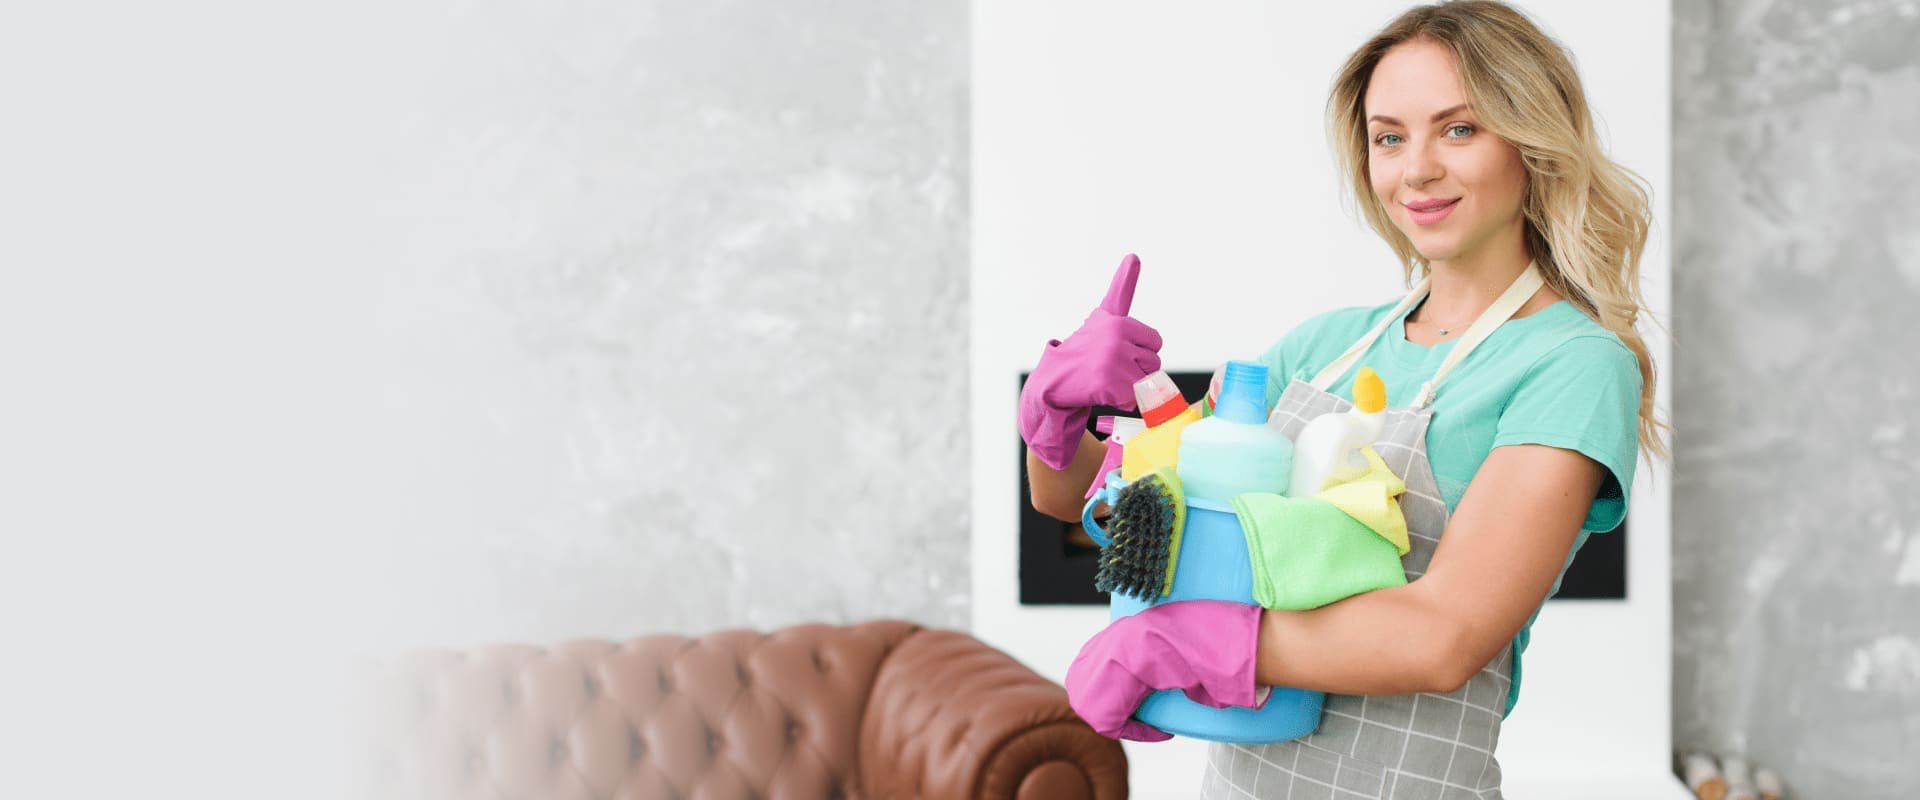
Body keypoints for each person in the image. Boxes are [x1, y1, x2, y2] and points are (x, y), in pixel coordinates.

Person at [1016, 2, 1668, 797]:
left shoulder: (1573, 366)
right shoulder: (1321, 348)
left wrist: (1186, 641)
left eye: (1459, 129)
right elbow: (1106, 508)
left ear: (1532, 141)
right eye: (1389, 137)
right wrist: (1053, 418)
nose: (1415, 170)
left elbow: (1445, 637)